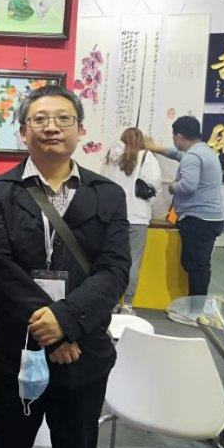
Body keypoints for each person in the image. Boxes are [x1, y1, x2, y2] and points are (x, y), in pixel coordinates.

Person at [0, 85, 130, 448]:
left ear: (80, 130)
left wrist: (65, 321)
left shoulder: (108, 194)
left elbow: (114, 269)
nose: (51, 127)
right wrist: (54, 331)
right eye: (39, 119)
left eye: (63, 118)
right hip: (18, 348)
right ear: (23, 132)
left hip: (83, 351)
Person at [146, 115, 224, 296]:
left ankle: (196, 306)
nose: (174, 142)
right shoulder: (204, 151)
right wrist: (156, 148)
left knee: (196, 266)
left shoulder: (193, 157)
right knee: (197, 264)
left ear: (179, 136)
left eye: (174, 137)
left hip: (199, 221)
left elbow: (188, 186)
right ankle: (196, 303)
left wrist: (172, 187)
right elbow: (177, 154)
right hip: (208, 219)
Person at [101, 127, 162, 315]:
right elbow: (155, 185)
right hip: (138, 216)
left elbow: (103, 182)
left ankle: (111, 302)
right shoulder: (147, 157)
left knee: (112, 260)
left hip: (114, 216)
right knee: (133, 261)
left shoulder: (112, 156)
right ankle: (127, 304)